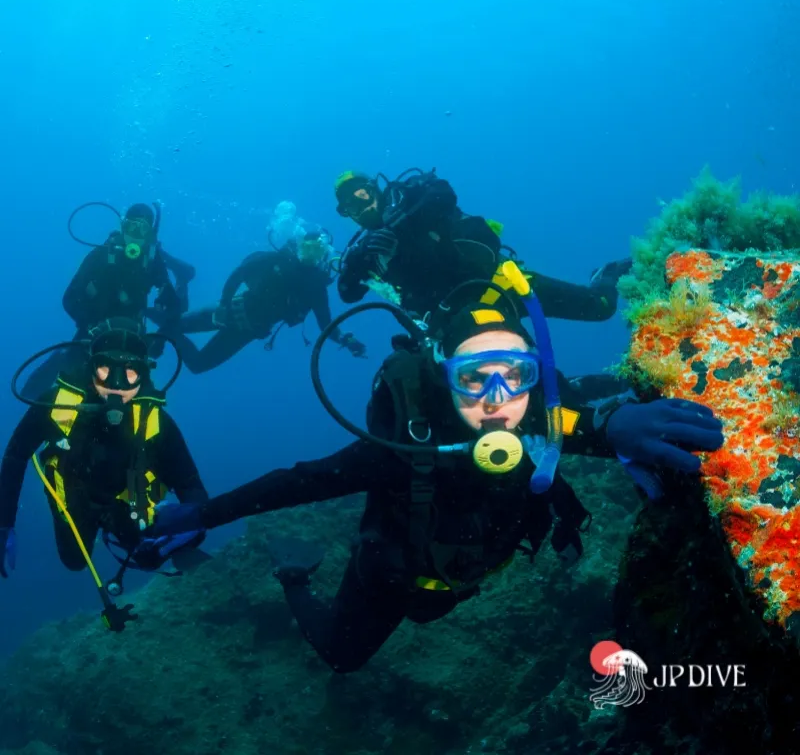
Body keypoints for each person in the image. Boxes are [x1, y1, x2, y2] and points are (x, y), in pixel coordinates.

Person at [148, 262, 724, 672]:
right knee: (342, 658)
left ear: (534, 375)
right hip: (391, 580)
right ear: (445, 378)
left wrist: (614, 420)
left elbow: (584, 423)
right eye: (474, 378)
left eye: (515, 374)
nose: (497, 399)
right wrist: (206, 511)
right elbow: (299, 481)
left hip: (467, 578)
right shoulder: (400, 448)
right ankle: (294, 574)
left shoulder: (536, 422)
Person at [0, 317, 209, 601]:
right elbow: (15, 456)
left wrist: (189, 529)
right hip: (73, 494)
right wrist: (3, 522)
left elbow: (190, 483)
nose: (117, 384)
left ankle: (134, 534)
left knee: (148, 553)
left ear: (144, 375)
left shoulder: (157, 422)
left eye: (131, 372)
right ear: (91, 369)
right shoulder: (58, 404)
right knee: (74, 561)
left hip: (126, 500)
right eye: (105, 369)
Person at [333, 168, 631, 320]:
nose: (363, 208)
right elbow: (347, 294)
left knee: (600, 309)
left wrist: (400, 223)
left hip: (502, 285)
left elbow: (444, 193)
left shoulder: (411, 197)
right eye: (351, 207)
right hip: (452, 325)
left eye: (363, 195)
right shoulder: (367, 252)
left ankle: (604, 274)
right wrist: (360, 258)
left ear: (376, 189)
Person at [21, 202, 196, 398]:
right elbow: (69, 298)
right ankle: (34, 398)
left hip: (132, 339)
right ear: (123, 226)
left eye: (142, 229)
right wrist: (90, 324)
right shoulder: (100, 256)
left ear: (149, 234)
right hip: (92, 334)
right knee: (71, 377)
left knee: (139, 393)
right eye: (132, 226)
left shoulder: (153, 264)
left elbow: (173, 306)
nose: (136, 234)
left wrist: (159, 339)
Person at [160, 226, 367, 374]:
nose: (310, 254)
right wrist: (223, 304)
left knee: (197, 365)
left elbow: (326, 325)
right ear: (299, 246)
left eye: (317, 250)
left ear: (324, 255)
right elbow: (239, 274)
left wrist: (345, 339)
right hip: (231, 309)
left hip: (246, 332)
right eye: (307, 247)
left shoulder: (316, 288)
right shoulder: (277, 259)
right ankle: (179, 287)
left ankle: (167, 327)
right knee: (168, 324)